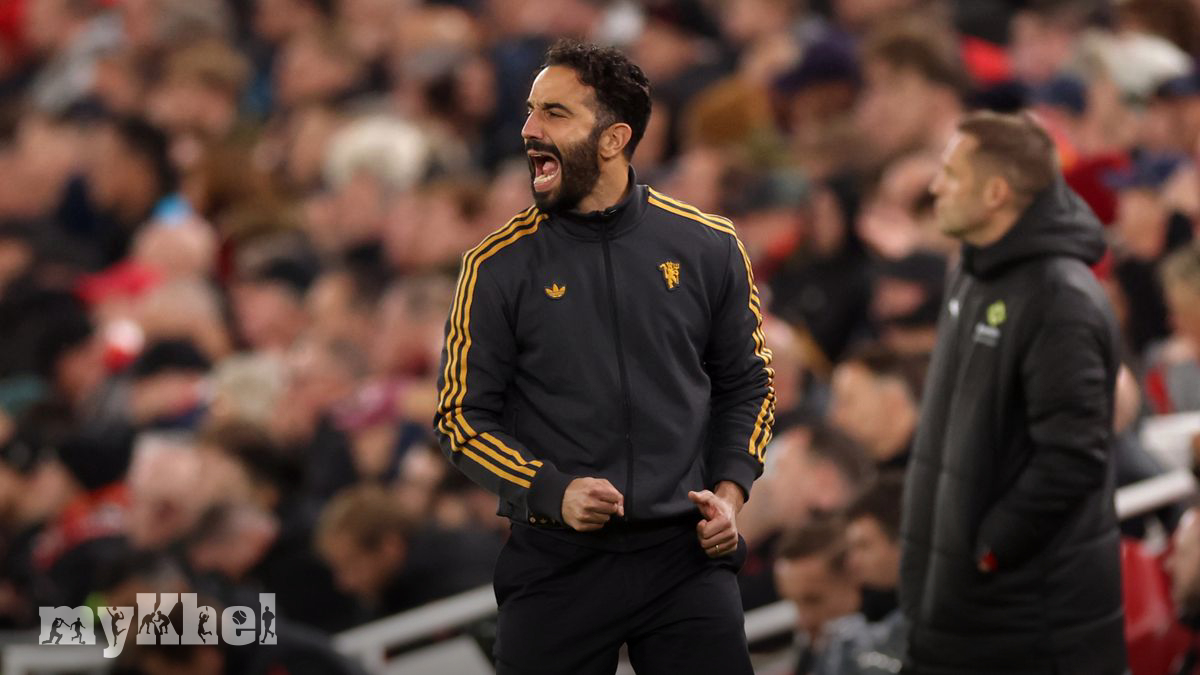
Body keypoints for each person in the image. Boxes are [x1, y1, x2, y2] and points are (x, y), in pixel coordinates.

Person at [432, 40, 774, 675]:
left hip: (686, 559)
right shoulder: (495, 266)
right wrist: (550, 490)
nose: (529, 130)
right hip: (557, 563)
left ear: (614, 139)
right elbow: (460, 418)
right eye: (530, 111)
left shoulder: (709, 245)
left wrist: (730, 494)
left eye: (554, 113)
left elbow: (749, 385)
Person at [900, 111, 1126, 674]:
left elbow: (1072, 456)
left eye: (951, 174)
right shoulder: (973, 270)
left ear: (996, 193)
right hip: (962, 612)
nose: (935, 187)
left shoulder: (1060, 298)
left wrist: (992, 548)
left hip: (1030, 625)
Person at [772, 518, 862, 675]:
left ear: (855, 578)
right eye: (794, 603)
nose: (802, 621)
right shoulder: (810, 654)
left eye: (813, 601)